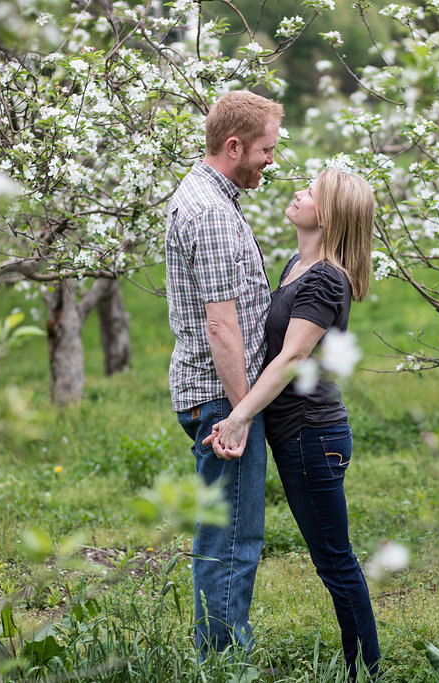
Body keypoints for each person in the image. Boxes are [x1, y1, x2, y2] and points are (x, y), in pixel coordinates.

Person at [204, 168, 381, 677]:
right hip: (299, 433)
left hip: (312, 434)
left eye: (312, 191)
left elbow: (291, 358)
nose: (299, 192)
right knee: (332, 557)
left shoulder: (325, 277)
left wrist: (239, 417)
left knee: (334, 559)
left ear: (330, 214)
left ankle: (365, 671)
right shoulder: (295, 265)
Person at [164, 90, 282, 658]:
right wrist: (242, 413)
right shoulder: (211, 212)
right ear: (233, 146)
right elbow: (222, 328)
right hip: (221, 398)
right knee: (233, 538)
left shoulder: (209, 196)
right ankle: (224, 661)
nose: (272, 160)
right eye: (266, 149)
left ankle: (217, 652)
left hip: (214, 395)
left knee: (225, 532)